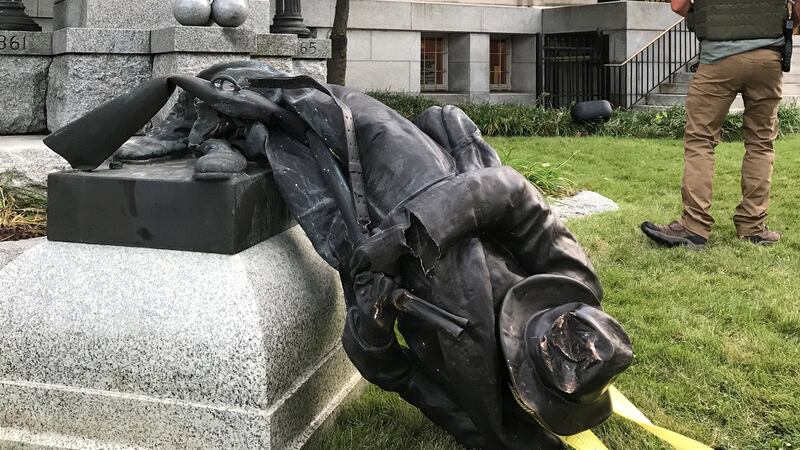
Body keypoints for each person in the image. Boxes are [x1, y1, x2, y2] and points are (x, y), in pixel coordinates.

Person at [642, 0, 800, 248]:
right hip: (768, 58)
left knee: (700, 141)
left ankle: (694, 226)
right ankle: (753, 226)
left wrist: (706, 17)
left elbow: (678, 5)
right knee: (761, 143)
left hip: (719, 57)